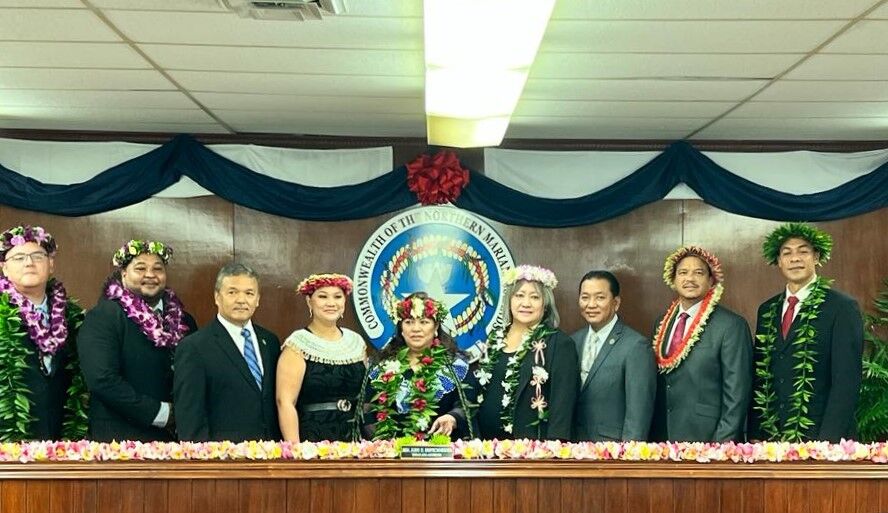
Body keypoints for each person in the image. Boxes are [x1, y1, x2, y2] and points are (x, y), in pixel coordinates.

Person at [749, 223, 863, 442]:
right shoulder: (767, 309)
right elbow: (760, 376)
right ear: (778, 261)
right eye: (787, 253)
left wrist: (828, 443)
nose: (795, 259)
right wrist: (756, 434)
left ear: (816, 257)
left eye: (803, 251)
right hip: (773, 438)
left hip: (822, 436)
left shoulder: (841, 307)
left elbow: (846, 381)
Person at [78, 239, 196, 442]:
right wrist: (161, 413)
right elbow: (102, 380)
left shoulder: (185, 321)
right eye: (140, 268)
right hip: (120, 442)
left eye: (157, 268)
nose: (150, 274)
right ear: (123, 274)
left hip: (178, 441)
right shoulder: (104, 316)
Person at [649, 246, 752, 443]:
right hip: (663, 439)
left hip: (709, 439)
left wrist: (722, 444)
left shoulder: (731, 325)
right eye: (683, 273)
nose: (690, 279)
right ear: (673, 279)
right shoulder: (661, 322)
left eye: (698, 273)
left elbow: (737, 392)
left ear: (711, 280)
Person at [174, 262, 281, 442]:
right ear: (217, 297)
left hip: (272, 455)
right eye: (232, 292)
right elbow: (189, 415)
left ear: (258, 299)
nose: (241, 300)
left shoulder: (270, 341)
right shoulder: (194, 347)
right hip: (224, 459)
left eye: (249, 293)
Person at [0, 224, 87, 441]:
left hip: (63, 442)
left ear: (51, 264)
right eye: (19, 258)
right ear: (4, 268)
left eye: (37, 256)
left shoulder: (74, 318)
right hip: (8, 440)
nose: (29, 262)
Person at [475, 265, 578, 440]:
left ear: (545, 304)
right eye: (519, 295)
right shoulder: (494, 338)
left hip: (532, 450)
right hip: (486, 448)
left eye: (535, 297)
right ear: (509, 300)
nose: (526, 303)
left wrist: (554, 450)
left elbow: (563, 405)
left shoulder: (559, 343)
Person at [361, 292, 476, 441]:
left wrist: (452, 417)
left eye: (423, 322)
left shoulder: (455, 366)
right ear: (401, 329)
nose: (416, 329)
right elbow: (368, 410)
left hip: (442, 455)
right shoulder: (382, 366)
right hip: (393, 456)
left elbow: (467, 403)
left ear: (436, 328)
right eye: (409, 322)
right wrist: (382, 445)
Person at [277, 273, 367, 442]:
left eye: (338, 297)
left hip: (355, 439)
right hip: (312, 440)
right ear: (309, 301)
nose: (331, 303)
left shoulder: (356, 342)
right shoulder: (298, 344)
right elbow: (285, 402)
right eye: (323, 296)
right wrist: (296, 452)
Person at [572, 270, 655, 442]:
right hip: (572, 449)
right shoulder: (572, 341)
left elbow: (638, 412)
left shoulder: (635, 346)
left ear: (616, 303)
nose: (591, 304)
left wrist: (630, 455)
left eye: (600, 298)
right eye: (585, 297)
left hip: (612, 451)